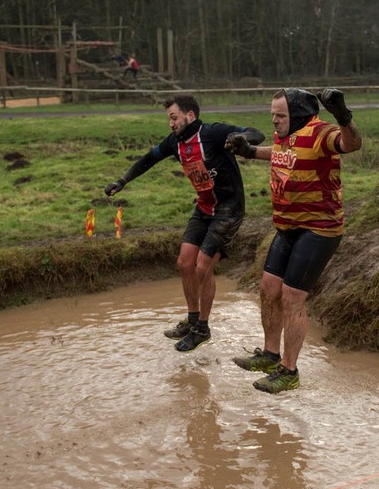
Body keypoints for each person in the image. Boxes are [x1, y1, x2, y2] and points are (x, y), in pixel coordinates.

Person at [225, 88, 363, 393]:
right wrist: (248, 151)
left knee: (291, 296)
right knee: (268, 289)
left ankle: (289, 371)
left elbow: (351, 143)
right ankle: (270, 355)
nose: (274, 121)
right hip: (287, 227)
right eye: (272, 114)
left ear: (298, 115)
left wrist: (343, 116)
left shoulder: (321, 132)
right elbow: (281, 153)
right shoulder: (286, 134)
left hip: (318, 229)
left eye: (280, 115)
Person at [104, 94, 264, 352]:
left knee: (203, 266)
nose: (170, 123)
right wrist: (122, 181)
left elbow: (256, 133)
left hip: (228, 209)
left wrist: (242, 139)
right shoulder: (175, 142)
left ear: (190, 116)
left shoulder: (213, 133)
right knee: (184, 262)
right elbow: (148, 159)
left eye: (174, 117)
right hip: (203, 208)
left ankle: (202, 328)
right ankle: (191, 321)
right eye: (169, 118)